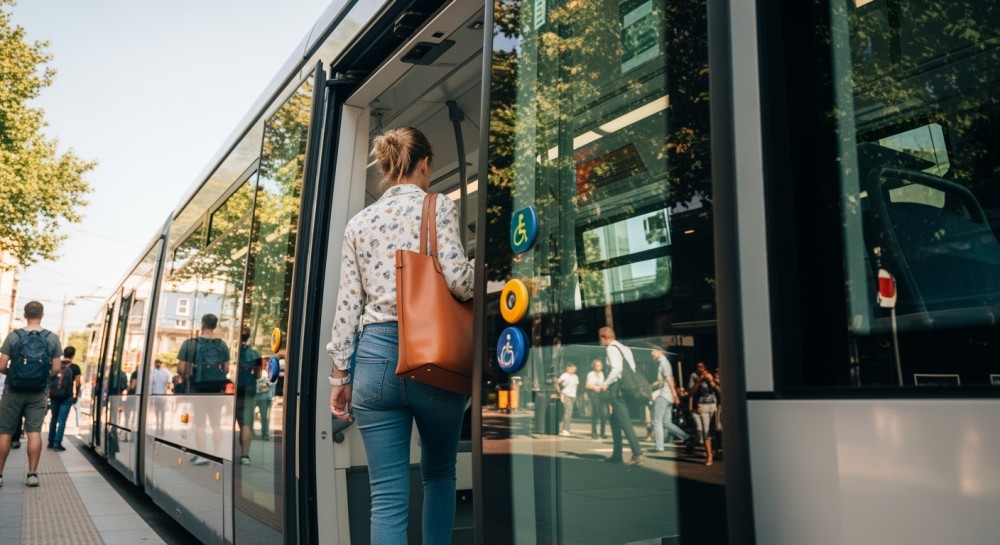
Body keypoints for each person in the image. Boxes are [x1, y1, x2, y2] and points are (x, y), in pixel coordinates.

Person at [327, 126, 474, 544]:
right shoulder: (437, 205)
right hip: (433, 358)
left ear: (389, 168)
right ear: (424, 164)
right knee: (440, 474)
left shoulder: (358, 223)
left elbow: (347, 306)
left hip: (373, 362)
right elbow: (459, 283)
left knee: (387, 494)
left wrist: (340, 378)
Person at [0, 301, 63, 487]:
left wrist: (13, 376)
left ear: (24, 314)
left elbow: (1, 365)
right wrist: (42, 378)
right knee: (34, 432)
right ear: (42, 315)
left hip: (13, 391)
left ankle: (0, 475)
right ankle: (32, 474)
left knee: (4, 433)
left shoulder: (13, 337)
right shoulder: (52, 338)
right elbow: (56, 368)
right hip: (38, 393)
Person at [176, 314, 229, 461]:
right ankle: (217, 453)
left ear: (203, 324)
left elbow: (181, 367)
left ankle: (201, 455)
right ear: (214, 325)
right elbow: (226, 369)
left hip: (199, 386)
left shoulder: (190, 343)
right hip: (217, 387)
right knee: (216, 423)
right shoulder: (222, 344)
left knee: (200, 423)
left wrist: (189, 375)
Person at [598, 326, 644, 465]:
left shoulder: (611, 348)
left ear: (604, 337)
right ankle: (617, 454)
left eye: (600, 338)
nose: (599, 341)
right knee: (614, 419)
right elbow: (633, 368)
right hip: (628, 388)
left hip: (617, 388)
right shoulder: (624, 348)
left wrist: (605, 384)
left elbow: (616, 369)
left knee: (624, 421)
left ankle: (637, 453)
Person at [649, 348, 690, 453]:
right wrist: (650, 386)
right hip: (668, 396)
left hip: (664, 395)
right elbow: (662, 381)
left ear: (659, 351)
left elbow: (670, 379)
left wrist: (675, 395)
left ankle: (659, 446)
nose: (651, 354)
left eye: (652, 351)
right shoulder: (663, 363)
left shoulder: (664, 363)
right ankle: (686, 437)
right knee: (666, 422)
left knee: (656, 420)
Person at [235, 328, 261, 464]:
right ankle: (245, 456)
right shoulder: (256, 353)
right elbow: (258, 376)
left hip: (235, 388)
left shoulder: (234, 352)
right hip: (249, 388)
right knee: (246, 423)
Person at [688, 361, 721, 466]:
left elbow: (720, 391)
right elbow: (691, 393)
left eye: (702, 367)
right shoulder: (694, 376)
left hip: (714, 406)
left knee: (716, 430)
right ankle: (709, 456)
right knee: (706, 432)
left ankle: (715, 451)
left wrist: (712, 382)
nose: (700, 368)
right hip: (702, 406)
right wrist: (699, 380)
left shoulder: (712, 375)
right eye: (698, 367)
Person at [47, 346, 79, 451]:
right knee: (62, 420)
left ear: (63, 354)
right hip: (66, 397)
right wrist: (76, 395)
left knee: (53, 418)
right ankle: (57, 443)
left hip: (54, 396)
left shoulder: (56, 365)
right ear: (73, 355)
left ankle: (50, 442)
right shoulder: (75, 367)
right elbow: (78, 383)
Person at [255, 355, 279, 440]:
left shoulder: (270, 373)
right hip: (255, 396)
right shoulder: (255, 372)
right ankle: (253, 433)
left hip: (264, 398)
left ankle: (265, 434)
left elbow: (270, 385)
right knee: (252, 416)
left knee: (265, 417)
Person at [585, 359, 608, 439]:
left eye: (600, 365)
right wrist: (595, 388)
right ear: (594, 366)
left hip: (601, 394)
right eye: (597, 365)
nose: (599, 367)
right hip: (594, 393)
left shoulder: (602, 374)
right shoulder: (590, 374)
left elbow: (603, 383)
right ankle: (594, 432)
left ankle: (603, 432)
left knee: (604, 413)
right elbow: (587, 385)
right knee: (596, 412)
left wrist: (603, 387)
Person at [555, 363, 579, 436]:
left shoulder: (575, 377)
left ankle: (567, 429)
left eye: (573, 368)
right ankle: (565, 429)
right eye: (570, 368)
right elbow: (557, 383)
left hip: (573, 395)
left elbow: (576, 386)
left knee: (570, 412)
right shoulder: (564, 375)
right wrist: (559, 391)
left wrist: (576, 395)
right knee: (567, 411)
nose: (572, 370)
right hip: (566, 394)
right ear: (567, 369)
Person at [149, 359, 171, 433]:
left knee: (157, 413)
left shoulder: (153, 372)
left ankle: (158, 428)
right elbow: (168, 383)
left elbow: (151, 383)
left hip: (156, 396)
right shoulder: (165, 373)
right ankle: (161, 429)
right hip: (162, 396)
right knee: (162, 413)